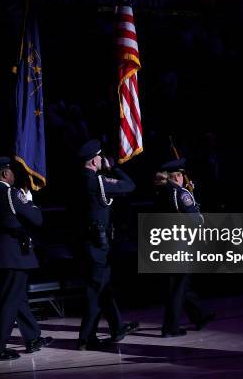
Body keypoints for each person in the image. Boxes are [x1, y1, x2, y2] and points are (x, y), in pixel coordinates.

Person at [0, 157, 52, 361]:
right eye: (12, 171)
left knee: (17, 298)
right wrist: (29, 201)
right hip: (14, 256)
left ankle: (32, 337)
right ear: (5, 174)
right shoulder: (10, 193)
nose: (14, 175)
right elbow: (37, 219)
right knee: (8, 303)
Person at [76, 139, 139, 350]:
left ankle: (117, 327)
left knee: (103, 287)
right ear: (95, 160)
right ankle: (85, 338)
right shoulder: (98, 182)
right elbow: (130, 186)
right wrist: (113, 168)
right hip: (98, 245)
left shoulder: (79, 180)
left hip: (85, 243)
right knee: (95, 291)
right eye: (100, 157)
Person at [154, 159, 214, 337]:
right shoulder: (181, 193)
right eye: (181, 175)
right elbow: (194, 218)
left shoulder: (161, 191)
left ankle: (199, 316)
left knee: (179, 285)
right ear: (178, 176)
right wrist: (192, 198)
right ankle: (170, 328)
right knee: (178, 287)